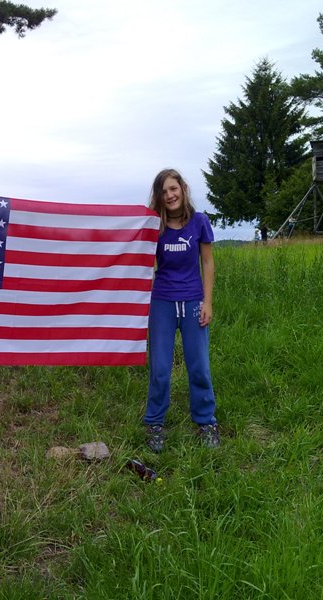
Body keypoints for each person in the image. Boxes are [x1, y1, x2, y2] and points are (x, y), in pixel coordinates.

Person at [143, 168, 220, 451]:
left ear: (183, 189)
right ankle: (154, 423)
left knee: (199, 366)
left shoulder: (199, 222)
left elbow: (207, 263)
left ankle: (206, 422)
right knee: (160, 368)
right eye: (164, 191)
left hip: (192, 301)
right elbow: (142, 261)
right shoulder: (154, 226)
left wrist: (207, 302)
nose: (170, 195)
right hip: (162, 302)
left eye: (173, 189)